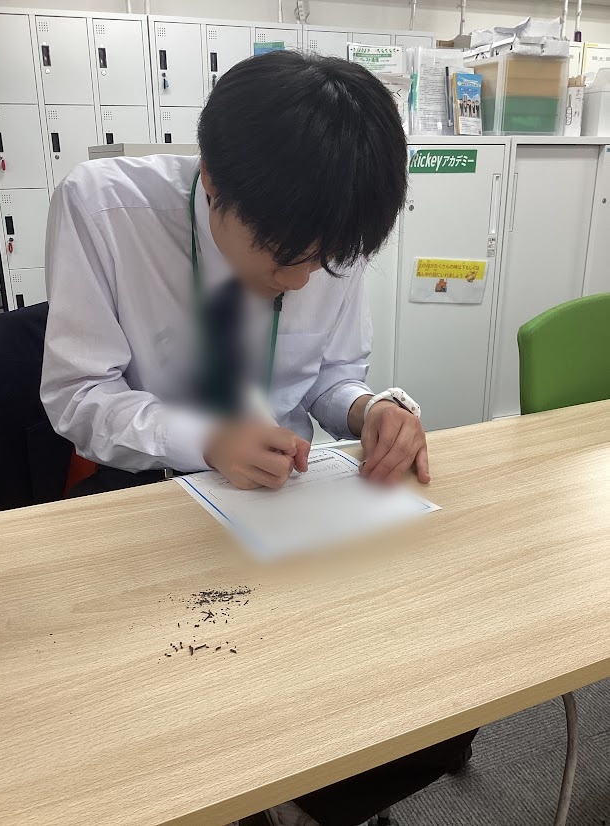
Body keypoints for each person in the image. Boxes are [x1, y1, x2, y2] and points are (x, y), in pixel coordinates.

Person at [41, 50, 475, 825]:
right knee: (171, 717)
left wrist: (369, 410)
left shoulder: (326, 225)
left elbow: (330, 377)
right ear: (213, 182)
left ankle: (311, 794)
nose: (305, 281)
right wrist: (206, 440)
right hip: (153, 496)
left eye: (327, 262)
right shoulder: (104, 209)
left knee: (428, 676)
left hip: (288, 499)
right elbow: (78, 395)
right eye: (286, 259)